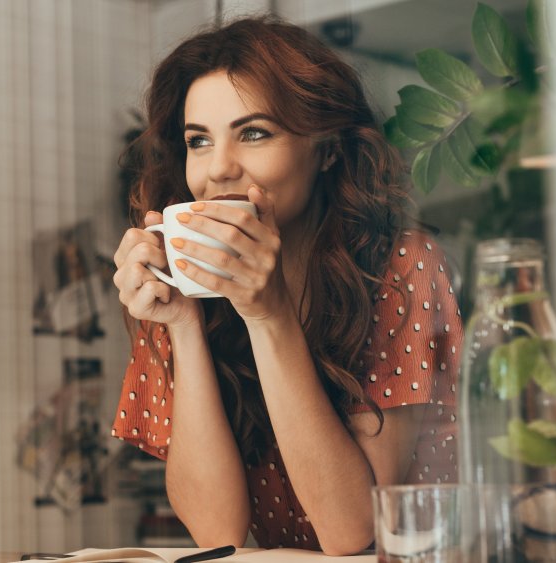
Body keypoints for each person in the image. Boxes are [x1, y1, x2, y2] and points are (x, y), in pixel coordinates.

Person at [110, 16, 463, 555]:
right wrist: (184, 325)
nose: (217, 170)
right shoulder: (186, 282)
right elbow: (216, 533)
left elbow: (353, 534)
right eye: (198, 141)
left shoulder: (402, 266)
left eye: (254, 133)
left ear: (326, 151)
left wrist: (267, 314)